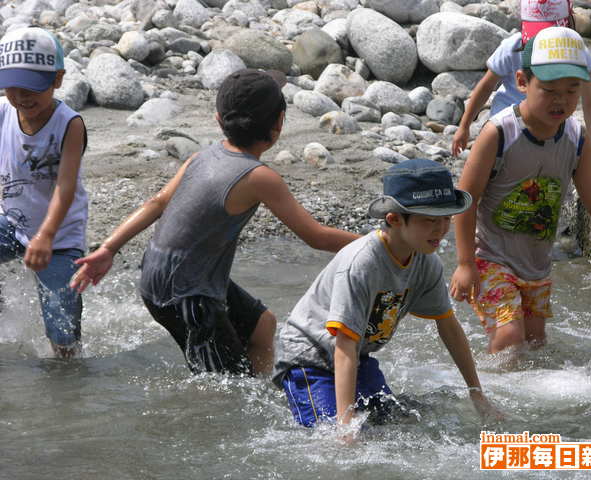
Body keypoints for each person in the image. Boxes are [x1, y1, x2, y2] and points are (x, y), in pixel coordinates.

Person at [70, 69, 359, 376]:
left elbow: (155, 203)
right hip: (187, 296)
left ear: (218, 120)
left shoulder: (202, 156)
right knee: (226, 386)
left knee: (263, 326)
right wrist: (379, 239)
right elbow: (316, 236)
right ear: (279, 123)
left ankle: (261, 387)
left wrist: (109, 249)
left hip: (159, 275)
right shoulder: (259, 177)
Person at [449, 27, 591, 355]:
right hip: (490, 258)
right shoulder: (499, 133)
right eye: (549, 90)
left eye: (571, 90)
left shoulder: (574, 137)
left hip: (536, 265)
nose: (561, 100)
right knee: (509, 339)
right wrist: (465, 262)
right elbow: (465, 199)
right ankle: (483, 399)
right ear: (522, 82)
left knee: (535, 345)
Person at [273, 158, 498, 432]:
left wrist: (476, 392)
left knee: (397, 422)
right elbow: (344, 346)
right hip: (310, 358)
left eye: (446, 219)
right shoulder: (361, 264)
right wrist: (346, 429)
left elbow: (448, 326)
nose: (441, 231)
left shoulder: (426, 262)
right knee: (333, 433)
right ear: (393, 218)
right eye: (430, 221)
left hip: (357, 356)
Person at [0, 27, 88, 358]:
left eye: (31, 89)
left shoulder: (70, 124)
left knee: (62, 330)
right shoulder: (3, 112)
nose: (21, 98)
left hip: (60, 236)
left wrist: (45, 236)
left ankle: (68, 377)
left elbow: (66, 187)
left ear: (58, 79)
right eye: (13, 88)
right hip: (12, 222)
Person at [451, 0, 591, 173]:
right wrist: (464, 126)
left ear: (568, 23)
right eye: (537, 32)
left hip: (550, 123)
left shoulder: (575, 50)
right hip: (508, 126)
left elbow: (590, 104)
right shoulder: (513, 47)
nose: (540, 40)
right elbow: (485, 87)